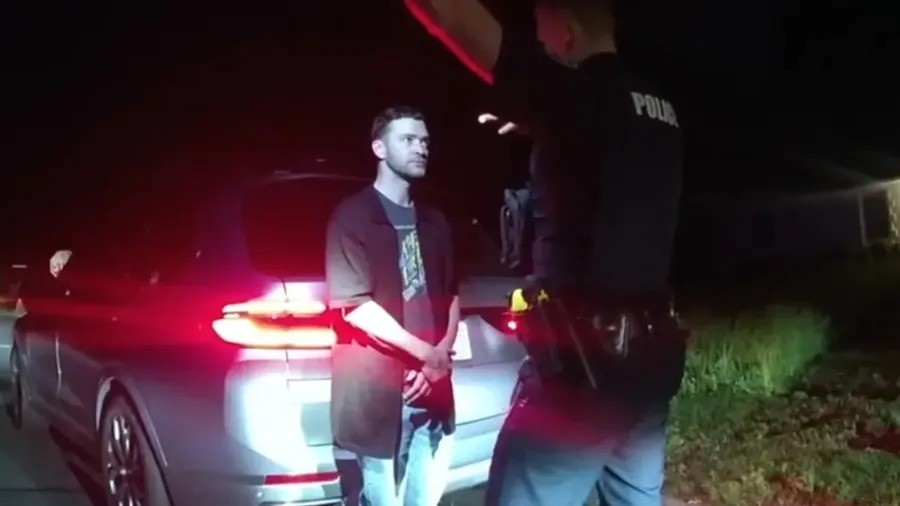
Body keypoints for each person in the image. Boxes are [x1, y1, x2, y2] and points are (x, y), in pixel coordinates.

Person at [404, 1, 686, 505]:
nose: (541, 47)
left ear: (567, 33)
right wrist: (547, 127)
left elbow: (452, 14)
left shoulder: (574, 91)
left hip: (583, 372)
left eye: (543, 37)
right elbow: (608, 165)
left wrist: (548, 110)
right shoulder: (658, 107)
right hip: (648, 368)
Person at [326, 105, 460, 506]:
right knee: (381, 497)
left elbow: (451, 294)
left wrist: (440, 357)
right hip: (379, 392)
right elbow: (356, 307)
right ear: (379, 148)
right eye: (408, 139)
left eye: (425, 141)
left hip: (432, 387)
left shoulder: (434, 221)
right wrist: (428, 357)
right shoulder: (352, 217)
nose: (421, 148)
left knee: (424, 498)